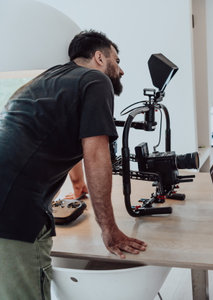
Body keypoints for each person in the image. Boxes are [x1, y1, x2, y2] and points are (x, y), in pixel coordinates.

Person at [0, 30, 147, 300]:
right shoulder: (96, 80)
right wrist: (109, 228)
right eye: (117, 59)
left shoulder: (51, 78)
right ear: (100, 58)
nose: (121, 70)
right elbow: (95, 155)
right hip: (13, 208)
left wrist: (79, 188)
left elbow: (56, 134)